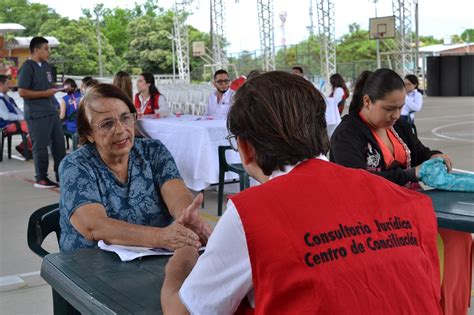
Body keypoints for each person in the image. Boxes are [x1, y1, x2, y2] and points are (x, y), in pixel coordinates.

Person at [161, 71, 442, 315]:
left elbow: (183, 311)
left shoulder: (252, 214)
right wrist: (223, 244)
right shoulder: (405, 199)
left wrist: (184, 255)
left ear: (245, 148)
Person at [330, 68, 471, 315]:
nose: (396, 115)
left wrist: (434, 155)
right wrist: (411, 174)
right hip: (372, 221)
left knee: (458, 238)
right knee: (445, 244)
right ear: (367, 101)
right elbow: (356, 182)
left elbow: (419, 151)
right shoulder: (347, 134)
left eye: (400, 107)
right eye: (389, 108)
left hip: (412, 209)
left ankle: (450, 309)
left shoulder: (400, 127)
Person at [58, 84, 211, 252]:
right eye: (107, 124)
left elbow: (177, 195)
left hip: (149, 258)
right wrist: (160, 237)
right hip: (91, 263)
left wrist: (186, 215)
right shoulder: (76, 166)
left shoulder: (153, 151)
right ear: (89, 134)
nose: (121, 129)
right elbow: (94, 227)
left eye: (125, 118)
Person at [17, 36, 65, 188]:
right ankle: (41, 178)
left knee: (59, 145)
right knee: (41, 147)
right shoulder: (27, 67)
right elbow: (22, 92)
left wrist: (61, 88)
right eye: (46, 49)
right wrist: (45, 93)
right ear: (36, 50)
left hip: (51, 111)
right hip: (37, 114)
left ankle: (62, 175)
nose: (48, 52)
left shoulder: (46, 66)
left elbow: (48, 86)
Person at [0, 74, 32, 156]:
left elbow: (18, 111)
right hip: (7, 124)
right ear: (0, 84)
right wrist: (22, 117)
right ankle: (28, 148)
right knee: (35, 127)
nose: (10, 85)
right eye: (7, 83)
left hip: (16, 122)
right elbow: (6, 116)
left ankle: (24, 147)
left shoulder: (9, 98)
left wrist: (27, 116)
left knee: (39, 124)